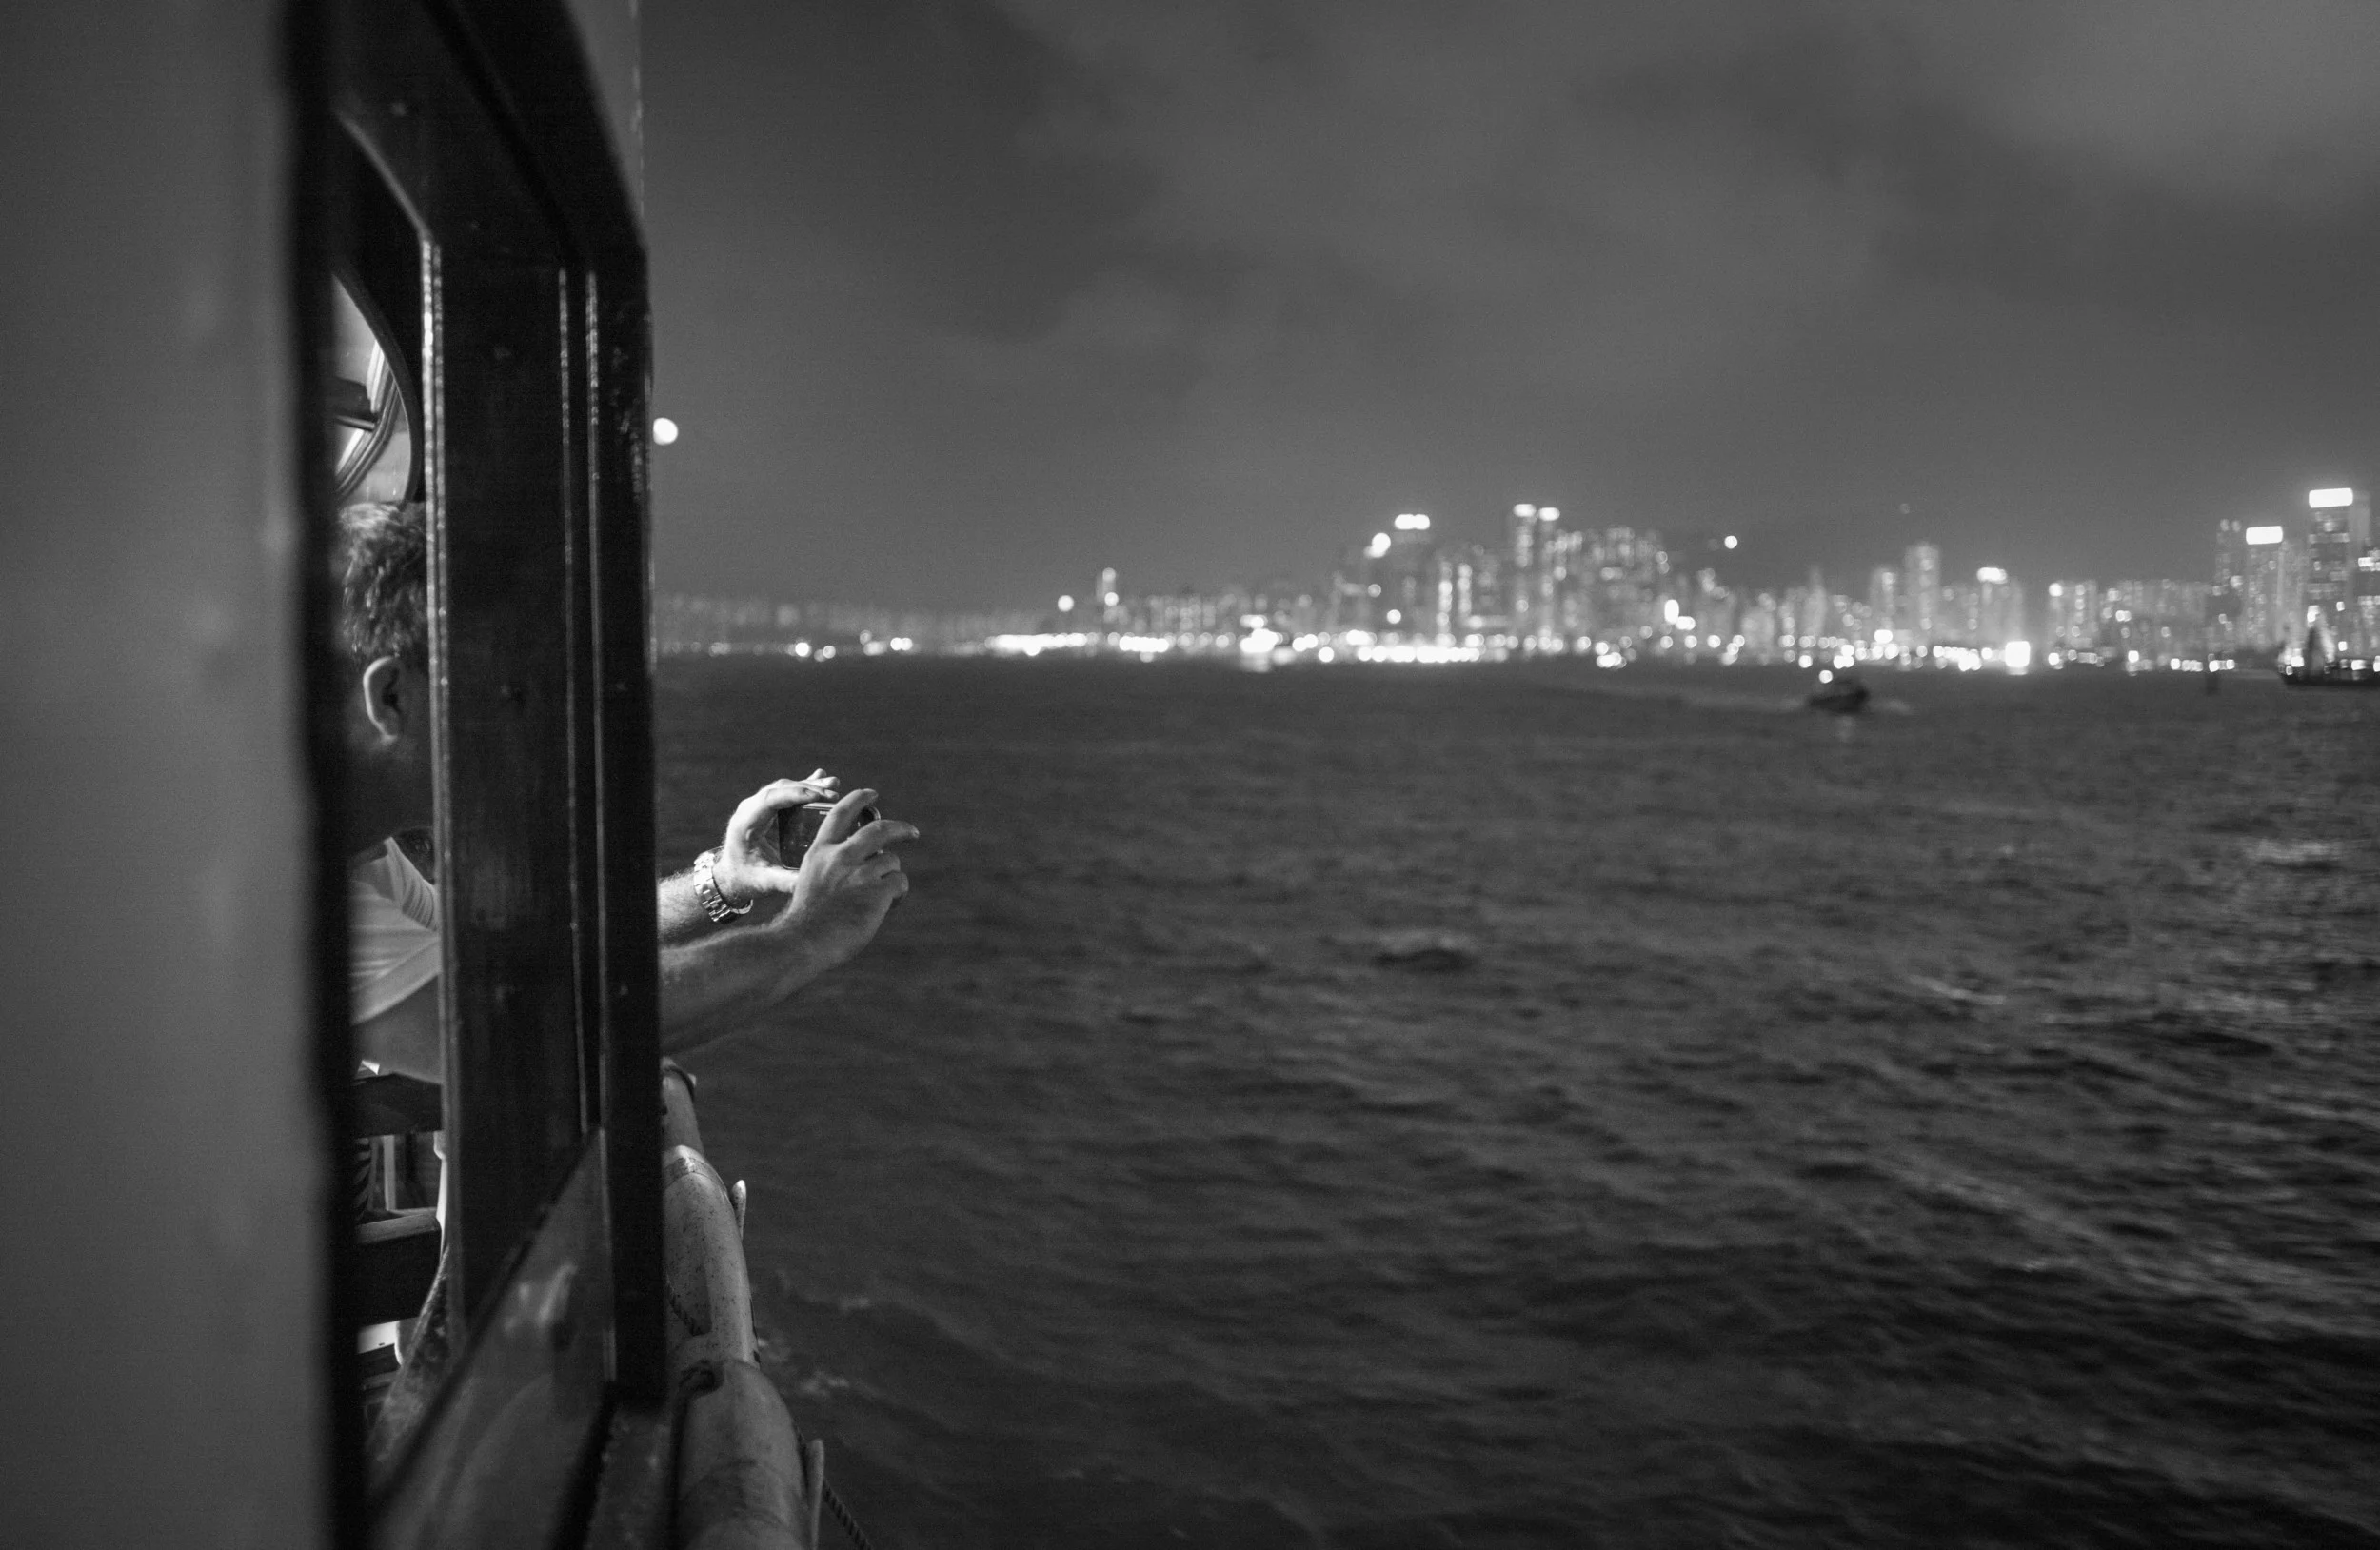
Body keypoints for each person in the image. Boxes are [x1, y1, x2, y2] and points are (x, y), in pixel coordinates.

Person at [338, 497, 918, 1098]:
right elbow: (527, 1028)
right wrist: (810, 934)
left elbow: (518, 961)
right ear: (393, 697)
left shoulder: (359, 854)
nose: (534, 736)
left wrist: (723, 882)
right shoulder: (277, 871)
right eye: (508, 697)